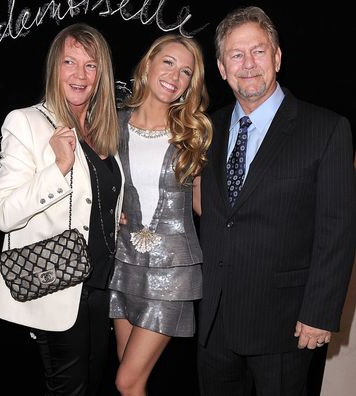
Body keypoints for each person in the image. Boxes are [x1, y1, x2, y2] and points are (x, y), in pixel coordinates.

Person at [196, 6, 356, 396]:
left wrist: (319, 313)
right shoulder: (207, 128)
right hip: (213, 322)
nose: (248, 64)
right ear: (221, 67)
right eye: (236, 55)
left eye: (258, 51)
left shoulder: (327, 128)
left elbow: (338, 229)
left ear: (278, 57)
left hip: (285, 326)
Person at [0, 23, 124, 395]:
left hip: (100, 285)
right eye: (70, 62)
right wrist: (57, 168)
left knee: (92, 385)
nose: (80, 75)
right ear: (54, 67)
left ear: (102, 75)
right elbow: (3, 212)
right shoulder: (27, 122)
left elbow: (96, 197)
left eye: (91, 65)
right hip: (57, 286)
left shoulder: (101, 129)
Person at [108, 34, 213, 395]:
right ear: (149, 64)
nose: (175, 75)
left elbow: (206, 207)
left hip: (173, 271)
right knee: (129, 378)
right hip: (123, 263)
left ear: (190, 84)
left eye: (186, 72)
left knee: (127, 380)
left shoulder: (193, 135)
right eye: (168, 62)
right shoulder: (112, 125)